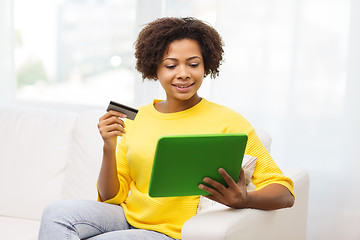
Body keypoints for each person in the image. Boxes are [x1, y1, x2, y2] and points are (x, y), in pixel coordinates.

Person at [38, 17, 294, 240]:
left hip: (170, 232)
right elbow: (111, 197)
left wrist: (245, 199)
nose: (183, 74)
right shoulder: (138, 119)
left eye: (193, 64)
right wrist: (108, 146)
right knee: (56, 213)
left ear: (207, 66)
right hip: (125, 216)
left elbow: (284, 193)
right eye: (171, 65)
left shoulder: (229, 121)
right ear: (154, 69)